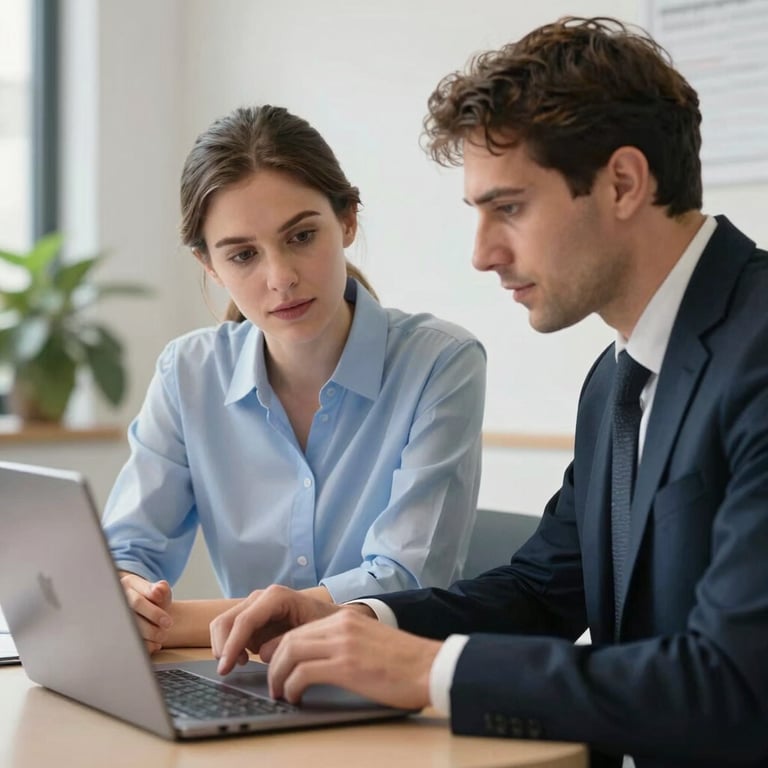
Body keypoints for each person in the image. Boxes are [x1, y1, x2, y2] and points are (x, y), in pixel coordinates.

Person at [209, 17, 768, 768]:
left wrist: (426, 672)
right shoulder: (617, 381)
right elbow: (541, 593)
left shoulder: (758, 349)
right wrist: (345, 614)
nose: (482, 254)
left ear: (624, 184)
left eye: (509, 207)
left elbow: (731, 685)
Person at [102, 105, 486, 653]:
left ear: (348, 220)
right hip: (247, 681)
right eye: (242, 255)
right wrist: (127, 596)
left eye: (302, 236)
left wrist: (176, 622)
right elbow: (126, 551)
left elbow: (404, 581)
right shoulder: (187, 374)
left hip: (391, 689)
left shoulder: (441, 363)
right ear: (209, 265)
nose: (279, 278)